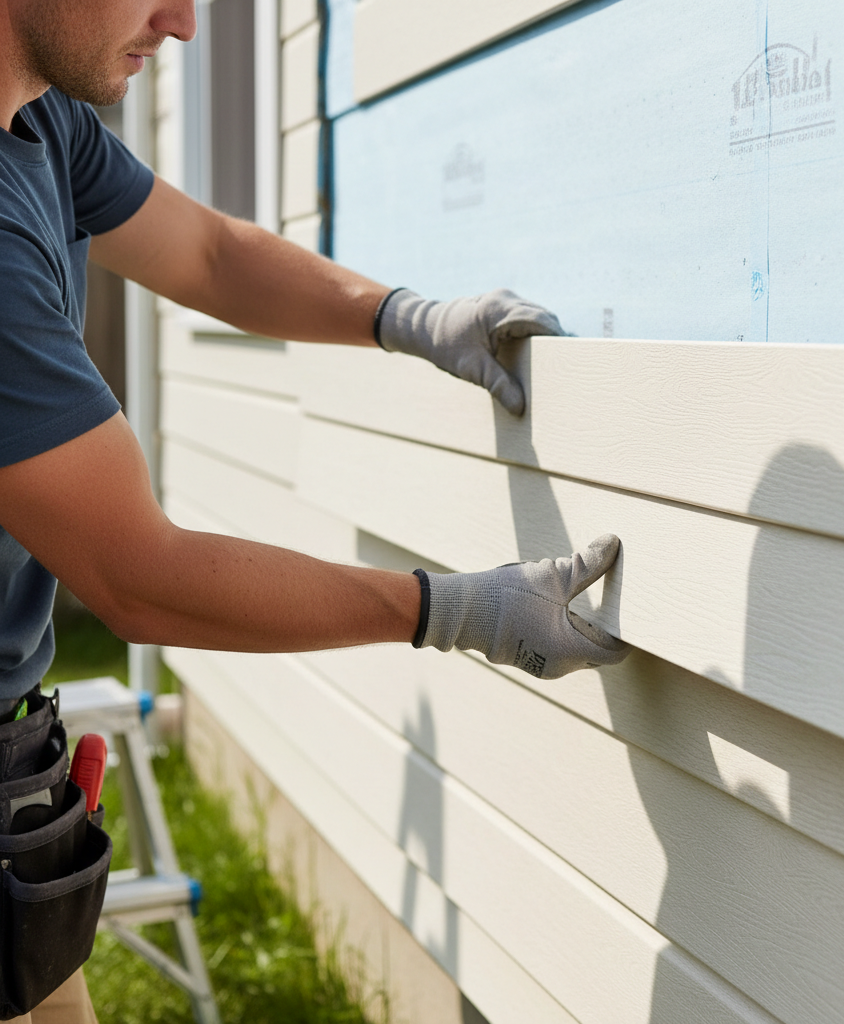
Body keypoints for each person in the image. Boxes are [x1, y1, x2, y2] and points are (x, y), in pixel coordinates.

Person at [0, 0, 631, 1017]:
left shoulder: (40, 120)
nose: (184, 23)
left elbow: (208, 254)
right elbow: (137, 577)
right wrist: (452, 611)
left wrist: (405, 316)